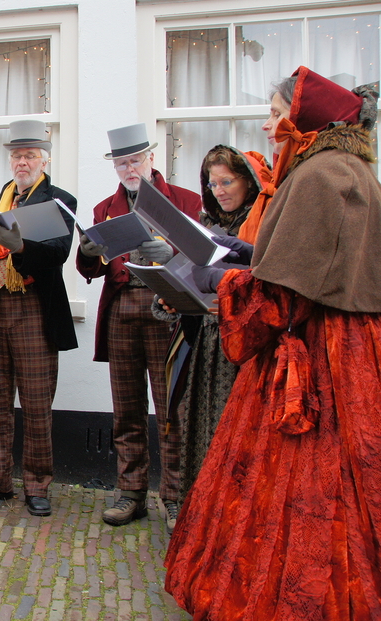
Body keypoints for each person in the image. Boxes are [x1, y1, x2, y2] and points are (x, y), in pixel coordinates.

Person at [165, 67, 381, 620]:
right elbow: (316, 265)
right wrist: (247, 256)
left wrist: (223, 281)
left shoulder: (318, 176)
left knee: (311, 486)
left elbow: (280, 300)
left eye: (277, 114)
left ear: (306, 121)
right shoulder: (354, 171)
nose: (270, 127)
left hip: (323, 356)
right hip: (367, 347)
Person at [76, 123, 201, 531]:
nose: (129, 168)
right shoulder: (104, 208)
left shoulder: (185, 201)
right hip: (122, 309)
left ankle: (173, 495)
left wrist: (173, 252)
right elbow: (90, 269)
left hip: (167, 306)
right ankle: (130, 492)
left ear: (151, 158)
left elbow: (206, 260)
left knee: (170, 409)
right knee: (126, 407)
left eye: (135, 160)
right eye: (121, 163)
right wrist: (88, 251)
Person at [0, 120, 78, 517]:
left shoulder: (59, 200)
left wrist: (20, 245)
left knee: (36, 401)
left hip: (32, 306)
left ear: (44, 159)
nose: (21, 161)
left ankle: (36, 484)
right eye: (16, 155)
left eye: (29, 155)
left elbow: (58, 253)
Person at [152, 145, 270, 504]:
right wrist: (170, 295)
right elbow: (187, 275)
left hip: (245, 347)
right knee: (204, 428)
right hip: (206, 344)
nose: (219, 190)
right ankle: (204, 512)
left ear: (248, 182)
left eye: (227, 181)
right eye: (212, 182)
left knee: (238, 432)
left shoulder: (264, 222)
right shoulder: (204, 226)